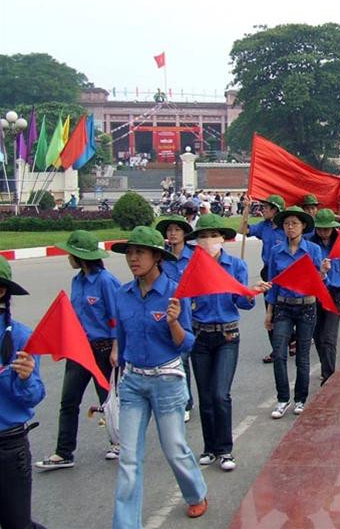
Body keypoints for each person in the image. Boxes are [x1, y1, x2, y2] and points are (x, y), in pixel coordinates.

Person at [109, 226, 208, 526]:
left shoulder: (175, 293)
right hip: (133, 383)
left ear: (157, 257)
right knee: (128, 459)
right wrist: (118, 358)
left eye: (140, 252)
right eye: (129, 252)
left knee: (174, 449)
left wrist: (174, 323)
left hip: (167, 380)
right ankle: (126, 524)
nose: (133, 258)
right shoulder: (122, 294)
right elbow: (122, 334)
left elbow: (187, 343)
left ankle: (196, 493)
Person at [185, 214, 265, 471]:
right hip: (200, 336)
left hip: (228, 335)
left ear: (222, 239)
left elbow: (242, 303)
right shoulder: (192, 267)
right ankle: (210, 447)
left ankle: (226, 449)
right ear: (196, 242)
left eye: (212, 236)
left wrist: (250, 293)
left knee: (221, 394)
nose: (208, 241)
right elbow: (185, 302)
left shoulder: (236, 265)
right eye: (203, 236)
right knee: (206, 397)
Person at [35, 231, 120, 471]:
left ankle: (119, 442)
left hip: (104, 350)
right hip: (79, 350)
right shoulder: (78, 281)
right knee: (69, 401)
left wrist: (116, 349)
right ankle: (64, 453)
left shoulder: (106, 281)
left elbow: (116, 317)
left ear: (80, 256)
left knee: (109, 401)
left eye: (70, 253)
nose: (67, 257)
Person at [265, 206, 329, 418]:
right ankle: (283, 399)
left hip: (306, 307)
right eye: (286, 224)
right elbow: (273, 283)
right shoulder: (276, 251)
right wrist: (269, 312)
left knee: (302, 356)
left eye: (294, 224)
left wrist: (323, 273)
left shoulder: (312, 250)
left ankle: (300, 398)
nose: (290, 227)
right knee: (279, 353)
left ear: (303, 226)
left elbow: (319, 282)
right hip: (283, 306)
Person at [0, 258, 47, 529]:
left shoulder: (19, 337)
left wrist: (26, 378)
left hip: (8, 447)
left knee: (16, 524)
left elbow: (33, 397)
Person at [156, 215, 196, 422]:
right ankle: (182, 401)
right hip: (170, 313)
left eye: (176, 230)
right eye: (169, 230)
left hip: (194, 313)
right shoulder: (161, 259)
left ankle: (187, 401)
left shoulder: (195, 256)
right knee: (177, 359)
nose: (172, 233)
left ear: (184, 234)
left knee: (188, 359)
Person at [239, 194, 286, 364]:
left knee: (287, 308)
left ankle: (293, 337)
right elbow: (243, 230)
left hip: (285, 271)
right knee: (270, 310)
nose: (263, 210)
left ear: (275, 210)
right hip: (268, 272)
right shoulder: (263, 226)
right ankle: (276, 349)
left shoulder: (286, 227)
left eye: (266, 207)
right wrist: (246, 209)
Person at [308, 209, 340, 384]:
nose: (323, 232)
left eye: (326, 229)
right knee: (318, 336)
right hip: (315, 294)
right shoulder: (309, 245)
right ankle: (326, 367)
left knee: (329, 337)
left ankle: (329, 377)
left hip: (334, 294)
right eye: (320, 229)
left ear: (333, 229)